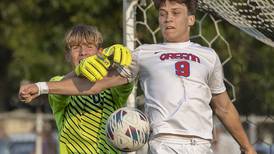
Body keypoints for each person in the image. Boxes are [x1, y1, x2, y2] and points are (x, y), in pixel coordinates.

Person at [19, 0, 257, 154]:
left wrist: (247, 147)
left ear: (191, 19)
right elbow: (96, 85)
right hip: (162, 142)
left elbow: (223, 107)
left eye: (175, 12)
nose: (168, 18)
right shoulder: (144, 53)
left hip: (202, 144)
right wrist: (41, 87)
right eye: (163, 14)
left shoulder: (208, 55)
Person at [19, 24, 133, 154]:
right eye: (76, 47)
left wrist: (120, 61)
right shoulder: (57, 83)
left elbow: (127, 77)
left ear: (99, 52)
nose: (83, 52)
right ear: (67, 55)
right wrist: (79, 70)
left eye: (89, 46)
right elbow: (66, 87)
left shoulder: (111, 86)